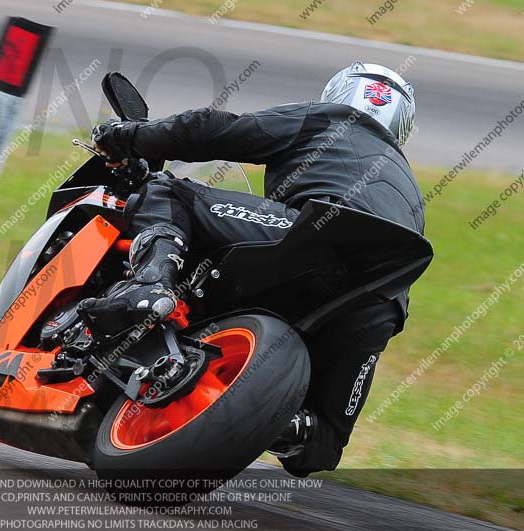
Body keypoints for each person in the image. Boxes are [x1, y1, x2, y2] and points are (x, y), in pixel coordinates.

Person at [77, 62, 427, 477]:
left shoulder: (328, 119)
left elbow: (208, 128)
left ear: (338, 93)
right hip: (376, 304)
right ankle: (288, 424)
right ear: (403, 124)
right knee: (324, 440)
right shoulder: (412, 189)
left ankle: (151, 282)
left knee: (172, 191)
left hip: (308, 234)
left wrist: (125, 136)